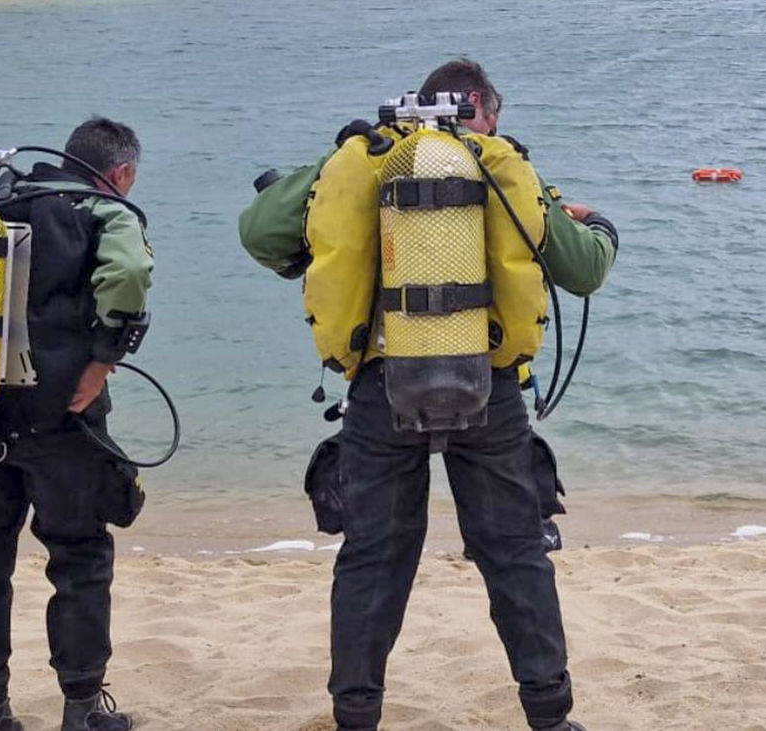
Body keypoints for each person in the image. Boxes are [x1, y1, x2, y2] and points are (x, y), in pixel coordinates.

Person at [240, 59, 617, 731]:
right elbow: (582, 269)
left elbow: (261, 234)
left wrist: (332, 160)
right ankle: (551, 716)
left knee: (373, 557)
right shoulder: (501, 165)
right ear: (476, 104)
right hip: (489, 390)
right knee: (514, 552)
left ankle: (356, 715)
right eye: (495, 115)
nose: (498, 127)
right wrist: (601, 226)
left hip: (381, 387)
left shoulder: (365, 159)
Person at [0, 117, 153, 731]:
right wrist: (101, 362)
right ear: (121, 172)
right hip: (59, 422)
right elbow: (127, 276)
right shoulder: (106, 212)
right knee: (78, 558)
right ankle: (81, 709)